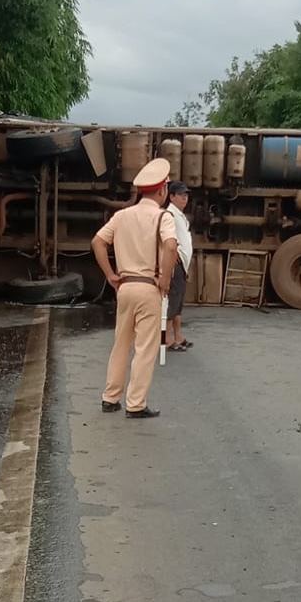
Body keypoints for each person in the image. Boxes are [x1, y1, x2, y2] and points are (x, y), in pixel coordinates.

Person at [92, 158, 179, 418]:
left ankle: (110, 398)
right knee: (145, 348)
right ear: (163, 190)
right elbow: (172, 246)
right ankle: (136, 403)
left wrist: (110, 275)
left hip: (125, 287)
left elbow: (97, 242)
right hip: (148, 288)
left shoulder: (122, 215)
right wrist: (164, 280)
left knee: (121, 343)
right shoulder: (163, 217)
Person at [165, 181, 193, 351]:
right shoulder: (169, 214)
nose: (185, 198)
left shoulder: (179, 215)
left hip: (183, 263)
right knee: (173, 300)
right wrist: (172, 251)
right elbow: (164, 236)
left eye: (186, 195)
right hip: (176, 263)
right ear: (172, 196)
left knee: (179, 302)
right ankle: (167, 339)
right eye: (181, 195)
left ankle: (178, 336)